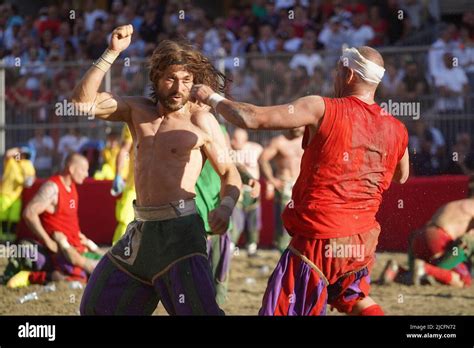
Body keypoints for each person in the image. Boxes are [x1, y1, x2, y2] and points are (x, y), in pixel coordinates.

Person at [191, 45, 409, 316]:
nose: (335, 77)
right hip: (362, 240)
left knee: (281, 309)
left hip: (319, 237)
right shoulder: (396, 127)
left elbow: (252, 118)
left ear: (349, 74)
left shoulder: (322, 108)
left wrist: (210, 97)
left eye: (338, 72)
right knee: (354, 298)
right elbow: (402, 175)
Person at [73, 25, 241, 315]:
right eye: (171, 79)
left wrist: (225, 208)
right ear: (156, 78)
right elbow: (80, 104)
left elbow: (230, 173)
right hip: (140, 233)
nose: (179, 89)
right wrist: (112, 52)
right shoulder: (136, 110)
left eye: (187, 80)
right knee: (97, 307)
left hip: (181, 235)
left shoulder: (202, 120)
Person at [6, 153, 101, 288]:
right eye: (84, 170)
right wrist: (48, 241)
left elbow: (68, 219)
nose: (86, 174)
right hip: (61, 252)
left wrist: (80, 236)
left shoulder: (72, 187)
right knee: (79, 279)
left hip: (76, 248)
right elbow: (29, 213)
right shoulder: (53, 187)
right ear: (72, 169)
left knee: (101, 271)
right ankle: (31, 277)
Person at [381, 198, 474, 288]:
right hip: (439, 239)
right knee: (465, 280)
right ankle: (425, 269)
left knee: (420, 274)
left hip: (419, 237)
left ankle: (397, 271)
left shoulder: (458, 203)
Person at [259, 127, 304, 253]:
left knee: (303, 221)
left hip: (302, 185)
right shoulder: (279, 141)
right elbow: (262, 159)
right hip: (285, 185)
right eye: (295, 124)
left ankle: (300, 252)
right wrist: (271, 180)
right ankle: (282, 251)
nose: (298, 127)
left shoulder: (308, 139)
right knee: (285, 222)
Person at [229, 128, 262, 256]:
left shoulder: (256, 149)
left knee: (253, 220)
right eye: (232, 138)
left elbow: (264, 159)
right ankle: (231, 247)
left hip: (253, 190)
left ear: (245, 140)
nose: (232, 141)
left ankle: (252, 248)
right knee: (236, 220)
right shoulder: (229, 152)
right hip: (237, 190)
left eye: (236, 139)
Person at [0, 147, 36, 236]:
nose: (20, 156)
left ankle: (11, 238)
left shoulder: (27, 164)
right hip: (5, 194)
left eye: (23, 154)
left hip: (17, 196)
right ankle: (2, 238)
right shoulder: (11, 162)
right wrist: (18, 149)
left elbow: (30, 180)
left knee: (14, 218)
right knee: (3, 217)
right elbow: (7, 154)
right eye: (20, 154)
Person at [110, 125, 136, 244]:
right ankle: (116, 257)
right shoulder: (134, 119)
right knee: (126, 221)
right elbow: (124, 149)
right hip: (134, 185)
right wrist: (118, 175)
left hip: (159, 186)